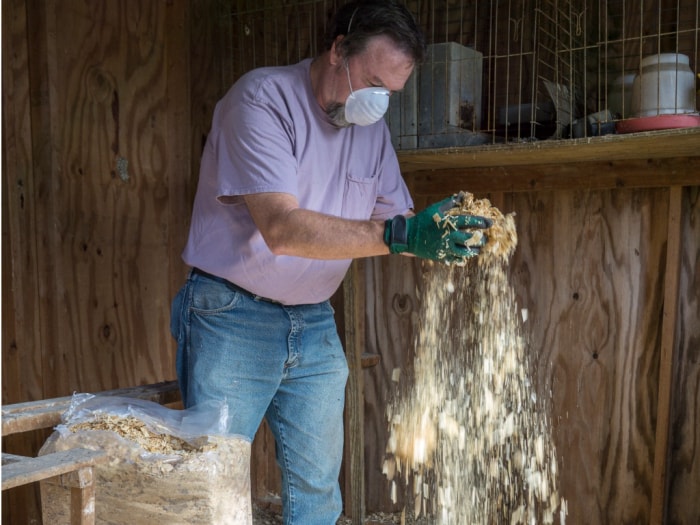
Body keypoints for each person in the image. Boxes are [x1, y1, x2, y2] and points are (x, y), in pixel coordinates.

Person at [170, 1, 491, 523]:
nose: (377, 102)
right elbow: (282, 227)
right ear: (338, 48)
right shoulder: (262, 100)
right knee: (213, 486)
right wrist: (401, 233)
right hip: (232, 314)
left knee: (318, 489)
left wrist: (445, 228)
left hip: (314, 317)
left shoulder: (372, 133)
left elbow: (399, 220)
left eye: (389, 93)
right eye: (371, 82)